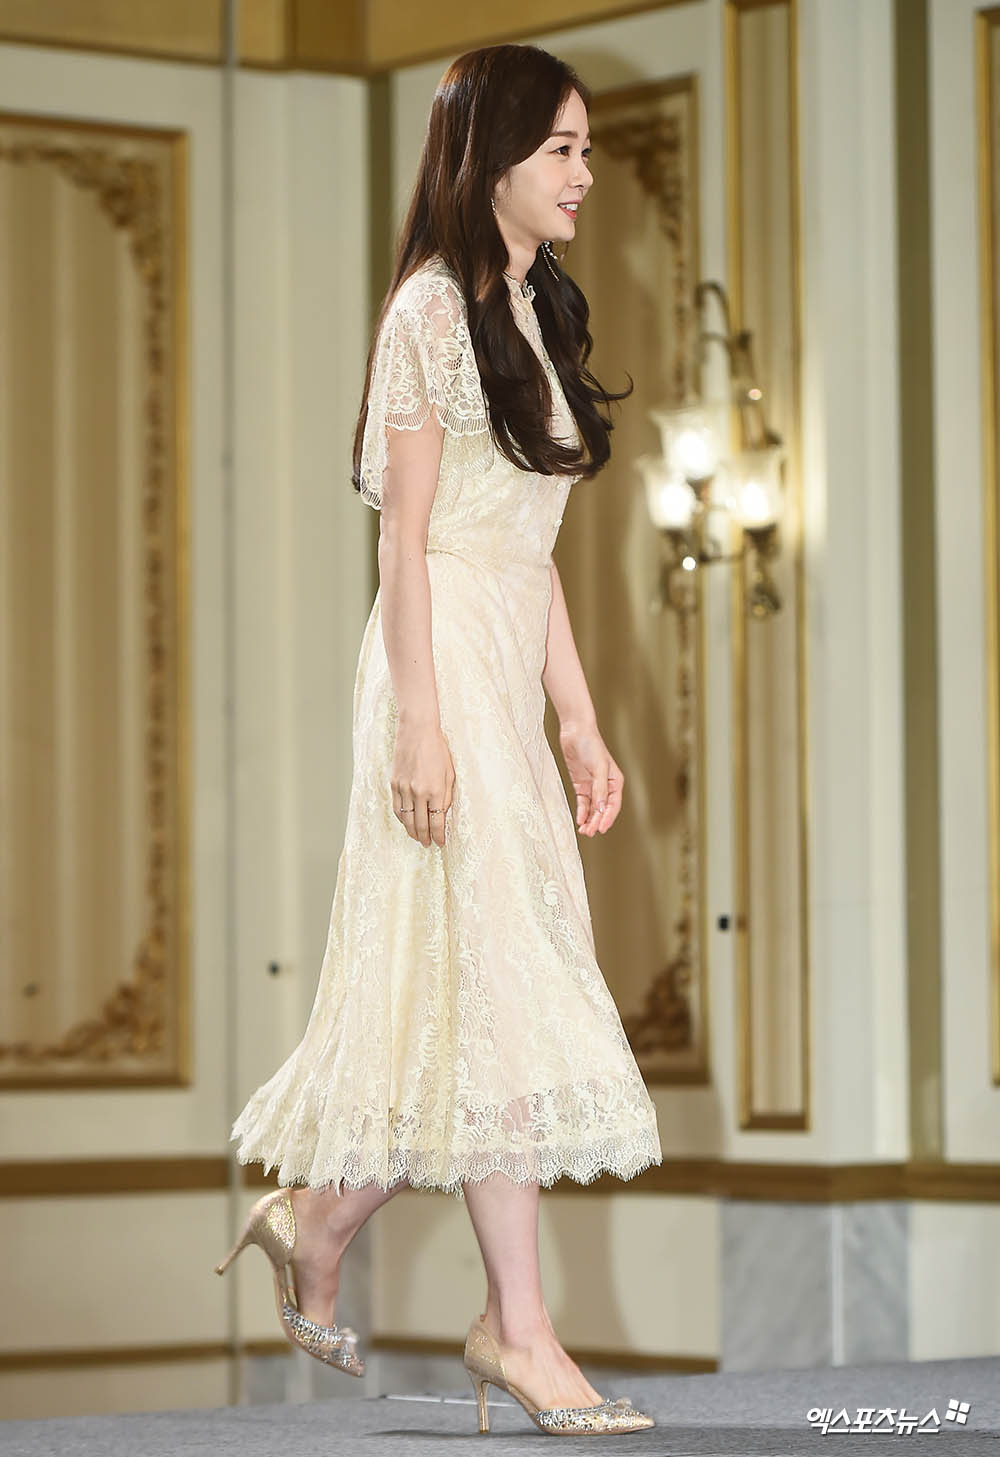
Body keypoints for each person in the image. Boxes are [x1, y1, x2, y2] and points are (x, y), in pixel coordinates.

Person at [215, 42, 662, 1437]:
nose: (585, 173)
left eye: (587, 148)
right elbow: (404, 539)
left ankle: (320, 1218)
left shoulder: (537, 309)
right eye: (563, 149)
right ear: (494, 158)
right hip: (435, 668)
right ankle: (517, 1328)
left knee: (476, 995)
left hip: (502, 664)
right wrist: (419, 720)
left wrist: (579, 718)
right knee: (493, 985)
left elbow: (531, 549)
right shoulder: (427, 307)